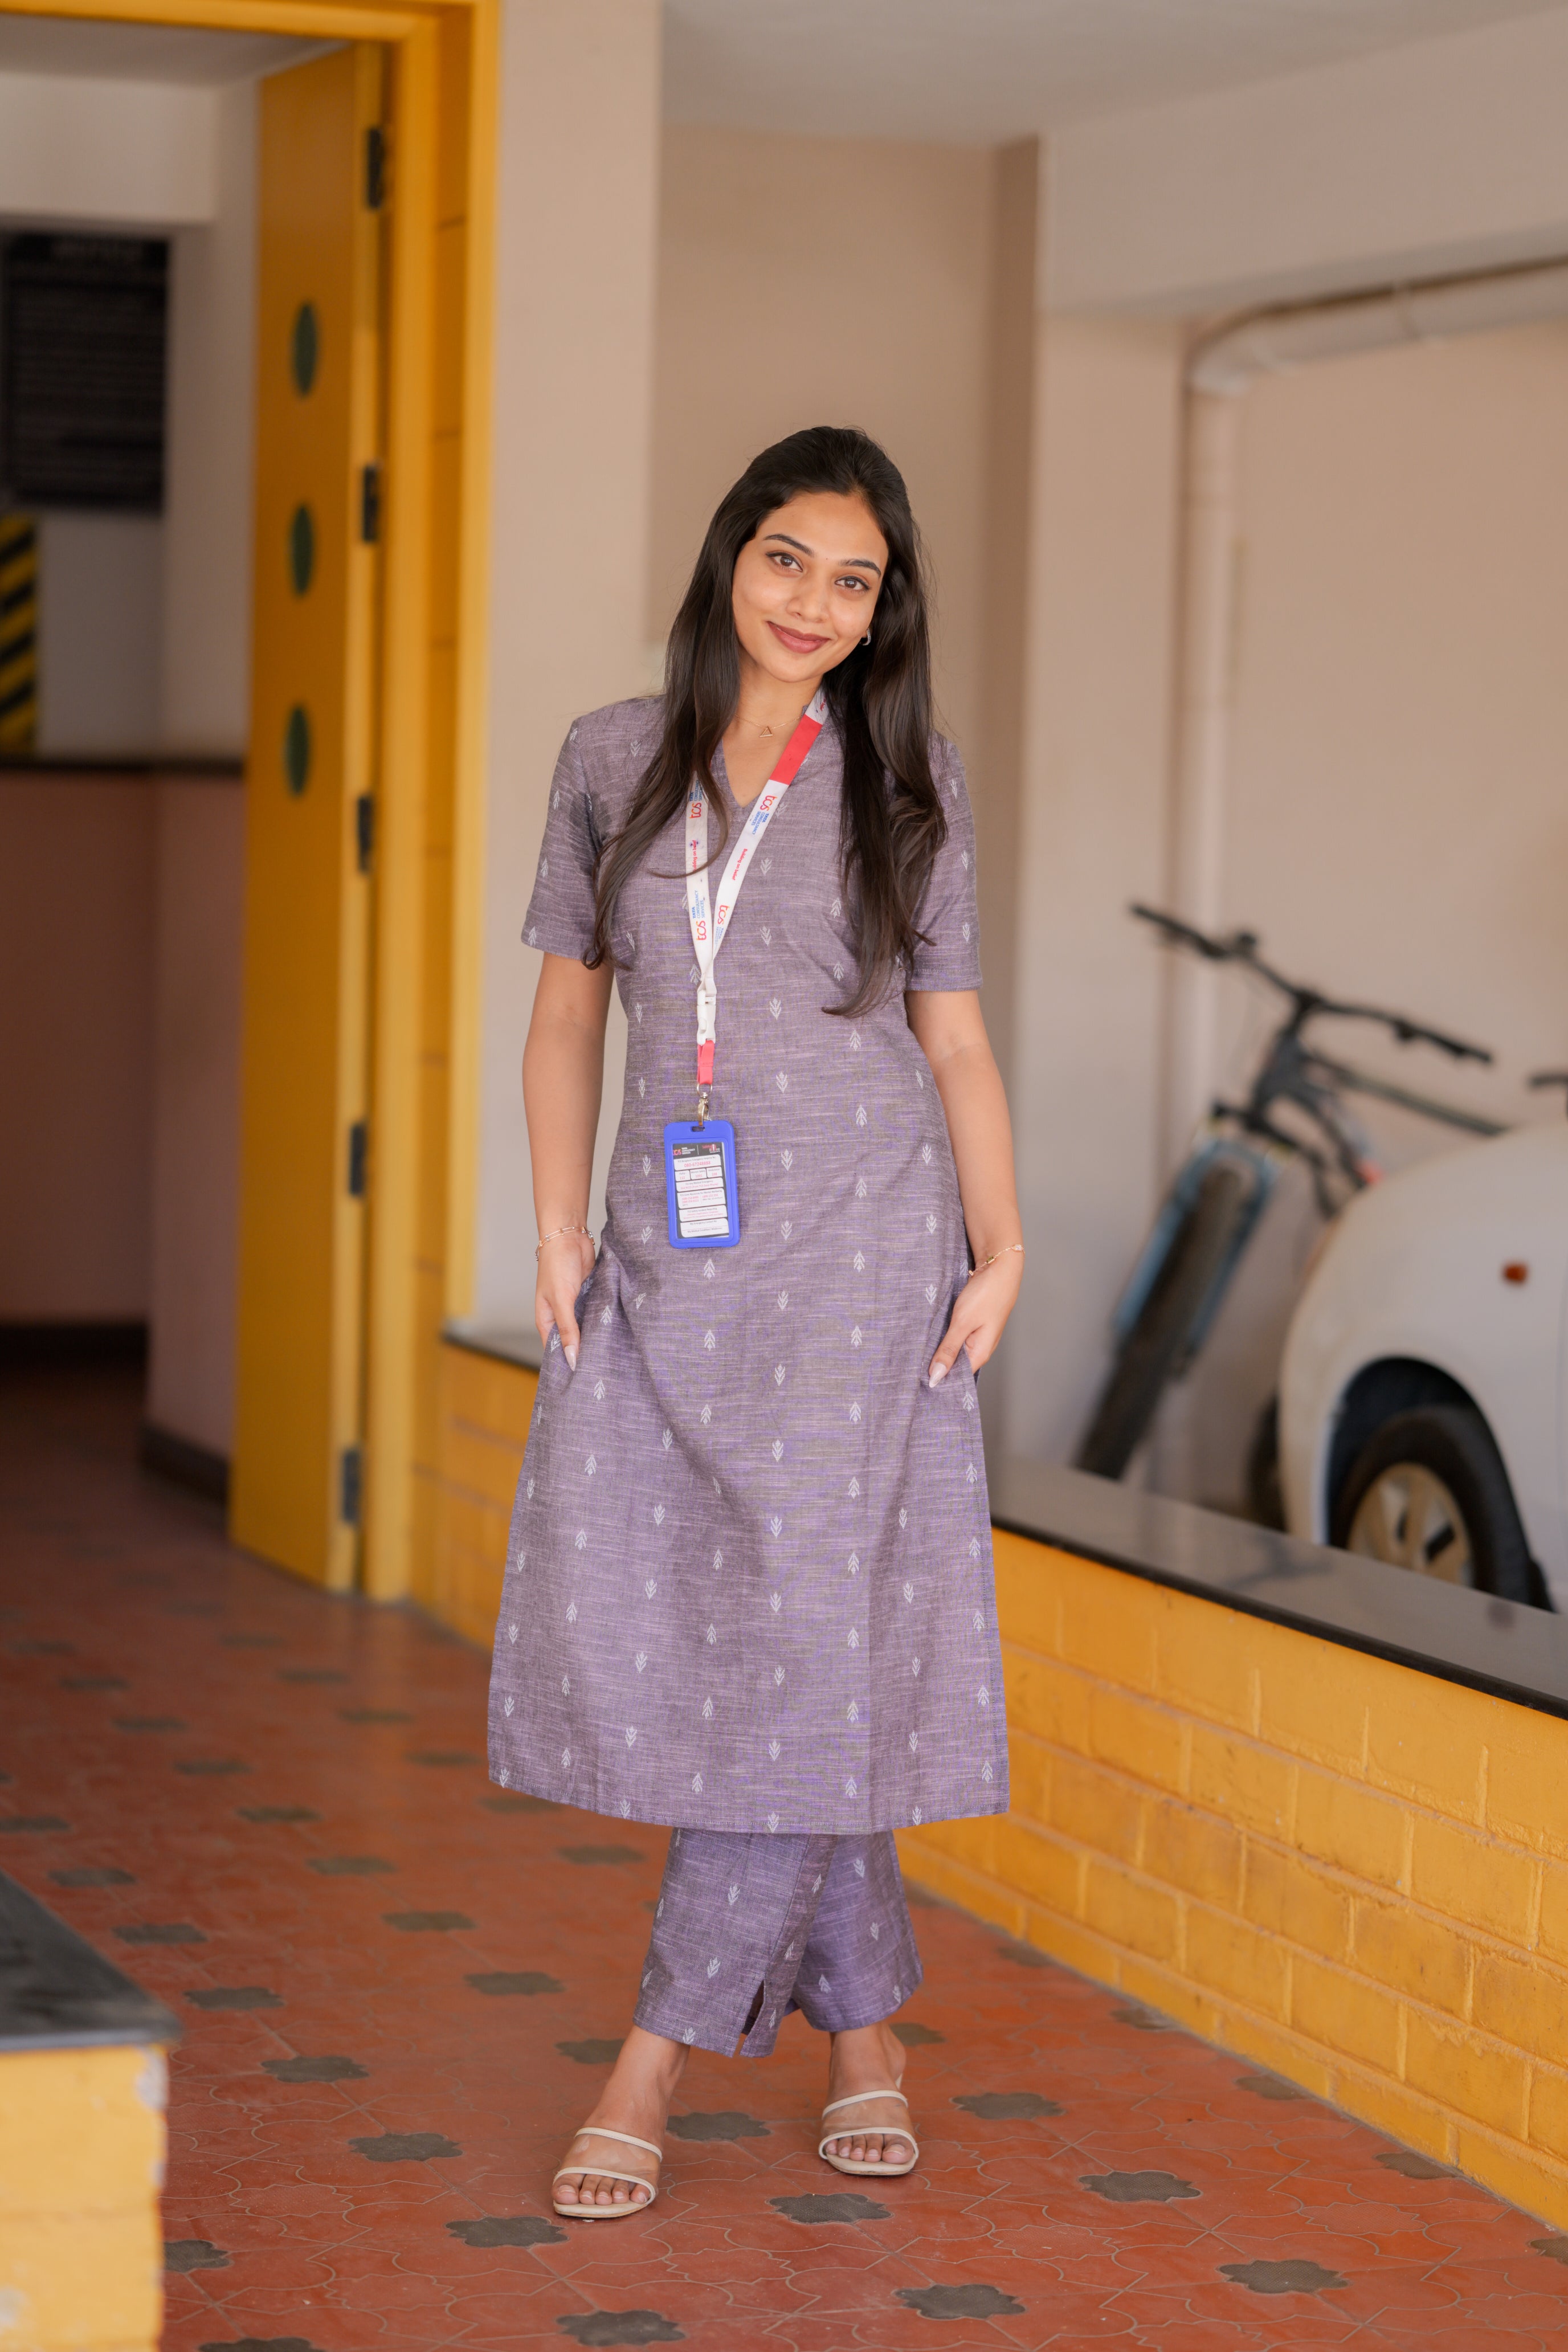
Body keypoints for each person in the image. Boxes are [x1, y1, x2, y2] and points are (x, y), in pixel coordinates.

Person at [487, 425, 1024, 2218]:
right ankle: (865, 2027)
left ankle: (646, 2058)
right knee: (793, 1638)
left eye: (854, 581)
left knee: (805, 1629)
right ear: (733, 561)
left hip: (866, 1268)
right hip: (665, 1262)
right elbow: (573, 1014)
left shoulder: (910, 781)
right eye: (789, 559)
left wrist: (1001, 1242)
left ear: (882, 617)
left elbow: (949, 1035)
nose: (814, 602)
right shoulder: (607, 760)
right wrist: (557, 1224)